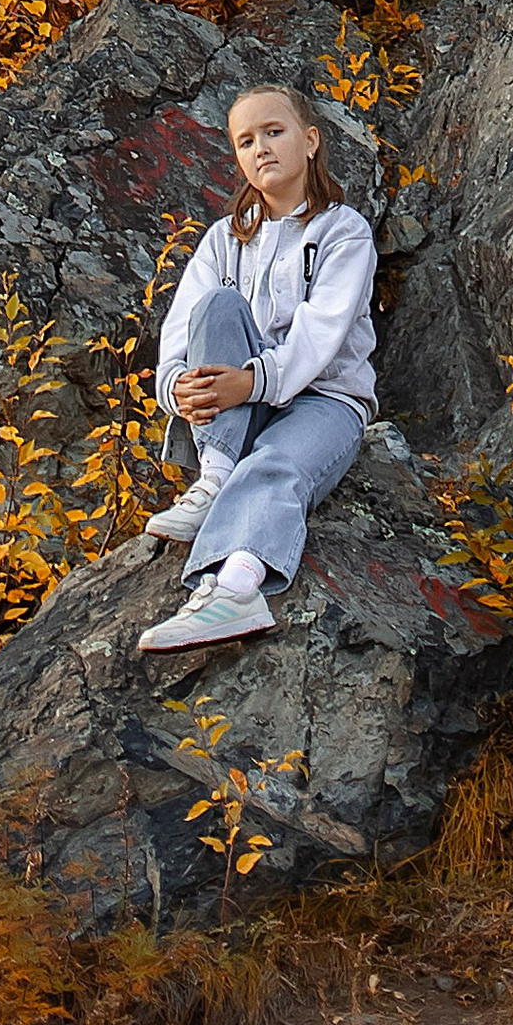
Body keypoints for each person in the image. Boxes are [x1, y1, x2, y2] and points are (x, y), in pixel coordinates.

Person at [132, 79, 377, 653]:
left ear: (310, 141)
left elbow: (320, 335)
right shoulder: (224, 239)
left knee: (276, 463)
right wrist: (176, 387)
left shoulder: (344, 232)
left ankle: (235, 591)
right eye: (246, 141)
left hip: (325, 400)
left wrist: (252, 381)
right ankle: (214, 478)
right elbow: (183, 324)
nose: (261, 148)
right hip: (238, 412)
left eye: (274, 131)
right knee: (219, 305)